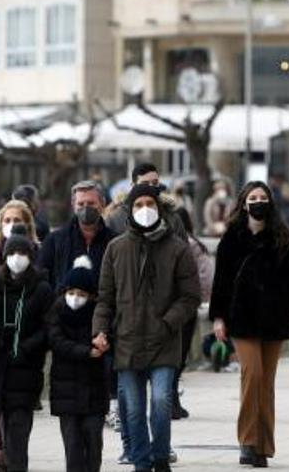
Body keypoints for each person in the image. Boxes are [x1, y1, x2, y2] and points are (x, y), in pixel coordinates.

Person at [91, 183, 201, 472]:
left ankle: (160, 457)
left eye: (149, 204)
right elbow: (105, 298)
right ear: (129, 210)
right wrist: (100, 330)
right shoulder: (116, 248)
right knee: (134, 409)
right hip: (127, 340)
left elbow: (190, 297)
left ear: (159, 208)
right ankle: (141, 461)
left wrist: (168, 323)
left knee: (162, 402)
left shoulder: (178, 249)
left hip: (164, 340)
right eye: (138, 205)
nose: (144, 210)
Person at [209, 181, 289, 467]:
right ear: (243, 204)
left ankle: (264, 446)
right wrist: (218, 317)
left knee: (266, 383)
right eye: (252, 197)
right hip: (241, 317)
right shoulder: (232, 238)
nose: (258, 202)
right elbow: (221, 281)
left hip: (274, 317)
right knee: (251, 376)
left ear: (271, 202)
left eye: (262, 197)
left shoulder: (281, 236)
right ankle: (247, 440)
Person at [0, 231, 51, 472]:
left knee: (18, 436)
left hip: (27, 370)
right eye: (12, 253)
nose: (17, 258)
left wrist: (27, 348)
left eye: (22, 253)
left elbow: (48, 328)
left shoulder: (41, 290)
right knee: (5, 431)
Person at [48, 256, 109, 472]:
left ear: (91, 296)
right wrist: (87, 352)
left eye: (81, 294)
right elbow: (57, 341)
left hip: (94, 391)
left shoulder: (98, 316)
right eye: (71, 293)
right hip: (66, 392)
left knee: (93, 442)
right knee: (72, 444)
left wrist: (101, 346)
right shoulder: (57, 310)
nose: (75, 298)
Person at [172, 207, 214, 420]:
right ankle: (172, 401)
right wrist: (201, 299)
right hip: (188, 307)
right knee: (180, 355)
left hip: (171, 307)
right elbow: (205, 277)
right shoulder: (194, 246)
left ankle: (170, 400)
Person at [40, 181, 116, 294]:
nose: (86, 208)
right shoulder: (54, 241)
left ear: (102, 204)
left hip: (101, 308)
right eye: (81, 204)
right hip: (62, 309)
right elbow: (43, 279)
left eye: (91, 203)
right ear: (73, 205)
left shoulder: (114, 242)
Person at [0, 200, 39, 280]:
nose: (12, 225)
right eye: (7, 221)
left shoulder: (38, 253)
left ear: (27, 224)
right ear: (1, 224)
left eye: (17, 220)